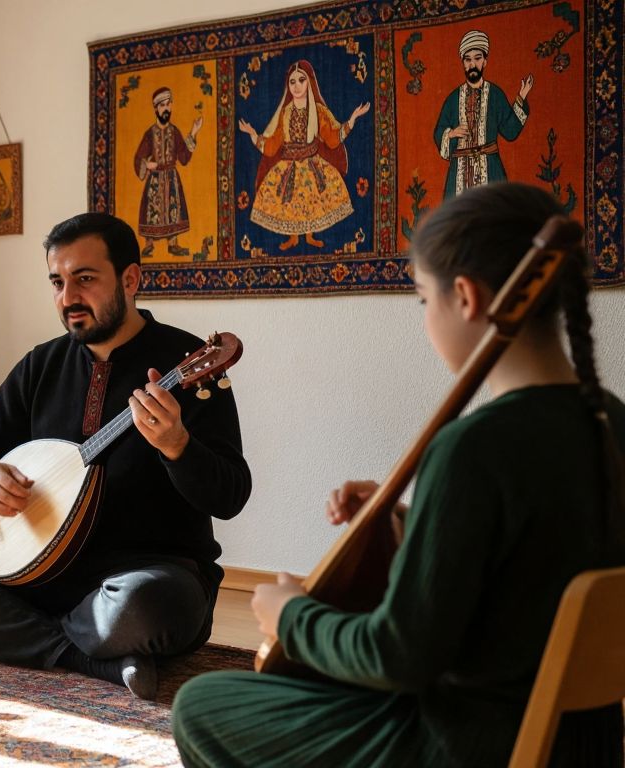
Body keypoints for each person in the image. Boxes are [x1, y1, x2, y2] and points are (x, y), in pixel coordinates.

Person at [171, 182, 625, 766]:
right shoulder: (610, 418)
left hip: (463, 741)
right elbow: (533, 563)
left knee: (204, 702)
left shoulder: (473, 448)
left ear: (465, 297)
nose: (425, 317)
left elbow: (397, 655)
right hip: (583, 744)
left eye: (422, 299)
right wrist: (410, 518)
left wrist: (293, 614)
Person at [0, 212, 251, 700]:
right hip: (36, 570)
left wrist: (177, 446)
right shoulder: (42, 364)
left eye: (85, 279)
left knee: (149, 606)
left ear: (130, 279)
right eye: (58, 281)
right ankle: (77, 653)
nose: (68, 297)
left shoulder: (187, 366)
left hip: (139, 575)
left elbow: (231, 495)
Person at [237, 59, 370, 251]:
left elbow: (332, 138)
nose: (297, 86)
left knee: (310, 198)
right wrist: (252, 134)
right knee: (289, 201)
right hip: (288, 163)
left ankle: (309, 236)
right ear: (288, 86)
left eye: (301, 80)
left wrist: (352, 119)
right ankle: (293, 238)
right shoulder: (285, 113)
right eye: (292, 82)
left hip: (311, 163)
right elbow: (273, 145)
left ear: (309, 82)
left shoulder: (318, 111)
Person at [433, 30, 532, 199]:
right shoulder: (453, 98)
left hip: (490, 170)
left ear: (485, 61)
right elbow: (438, 132)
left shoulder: (495, 94)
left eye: (477, 58)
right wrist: (451, 134)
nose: (472, 64)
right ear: (463, 63)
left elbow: (509, 131)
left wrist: (521, 97)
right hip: (459, 172)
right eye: (468, 59)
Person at [134, 87, 202, 257]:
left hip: (171, 176)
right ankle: (149, 243)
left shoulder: (175, 131)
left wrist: (194, 132)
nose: (166, 109)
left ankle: (173, 244)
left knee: (174, 207)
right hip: (155, 178)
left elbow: (184, 158)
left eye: (168, 104)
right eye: (162, 105)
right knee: (151, 209)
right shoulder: (150, 133)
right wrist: (147, 164)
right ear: (156, 108)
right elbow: (139, 157)